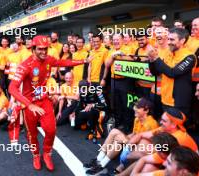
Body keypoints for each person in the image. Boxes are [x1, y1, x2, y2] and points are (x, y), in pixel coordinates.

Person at [8, 35, 93, 171]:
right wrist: (29, 105)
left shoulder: (48, 59)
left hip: (44, 100)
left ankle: (47, 153)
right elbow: (12, 88)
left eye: (45, 49)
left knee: (51, 129)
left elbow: (63, 63)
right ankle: (36, 155)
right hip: (30, 104)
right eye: (40, 49)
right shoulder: (25, 66)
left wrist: (84, 60)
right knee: (32, 134)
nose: (43, 52)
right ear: (33, 49)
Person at [84, 98, 158, 175]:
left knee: (116, 134)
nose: (134, 108)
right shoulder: (137, 119)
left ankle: (100, 163)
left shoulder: (151, 124)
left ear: (146, 110)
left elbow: (143, 145)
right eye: (135, 106)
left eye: (138, 107)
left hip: (140, 149)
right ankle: (99, 163)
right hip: (133, 144)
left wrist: (124, 140)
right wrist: (123, 139)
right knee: (116, 137)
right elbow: (134, 134)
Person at [149, 27, 196, 118]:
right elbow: (155, 73)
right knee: (165, 129)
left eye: (172, 39)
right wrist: (151, 61)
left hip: (179, 103)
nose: (169, 42)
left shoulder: (190, 57)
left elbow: (172, 73)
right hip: (165, 99)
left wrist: (156, 59)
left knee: (176, 131)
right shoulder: (168, 53)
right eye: (168, 39)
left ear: (182, 41)